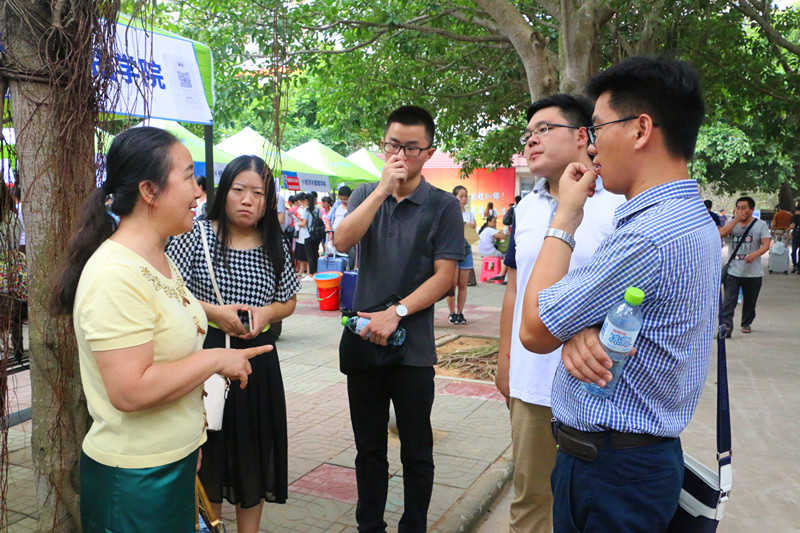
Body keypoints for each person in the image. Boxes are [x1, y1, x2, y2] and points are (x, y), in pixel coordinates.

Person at [518, 57, 720, 532]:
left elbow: (534, 330)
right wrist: (579, 330)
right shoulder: (693, 219)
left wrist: (565, 217)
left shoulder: (646, 236)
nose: (591, 144)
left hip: (609, 474)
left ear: (640, 129)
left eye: (598, 127)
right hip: (637, 464)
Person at [49, 127, 266, 532]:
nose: (199, 192)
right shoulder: (116, 274)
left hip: (171, 462)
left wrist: (189, 440)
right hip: (135, 479)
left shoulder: (159, 259)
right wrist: (215, 359)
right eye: (188, 177)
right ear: (149, 191)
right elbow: (130, 390)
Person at [494, 94, 623, 533]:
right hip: (532, 383)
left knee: (591, 504)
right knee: (531, 499)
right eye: (528, 134)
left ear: (582, 136)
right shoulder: (525, 208)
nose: (531, 140)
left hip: (595, 383)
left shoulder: (619, 204)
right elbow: (515, 289)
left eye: (545, 129)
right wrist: (505, 362)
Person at [335, 105, 463, 533]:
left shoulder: (443, 206)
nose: (401, 156)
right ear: (382, 146)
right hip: (364, 345)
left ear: (429, 153)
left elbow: (445, 277)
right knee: (369, 448)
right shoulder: (364, 195)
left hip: (414, 352)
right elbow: (342, 241)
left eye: (412, 148)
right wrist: (380, 191)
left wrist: (397, 313)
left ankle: (413, 526)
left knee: (416, 450)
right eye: (394, 146)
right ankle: (369, 526)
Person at [165, 154, 299, 533]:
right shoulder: (195, 235)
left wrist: (268, 313)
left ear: (268, 201)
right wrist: (214, 312)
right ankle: (211, 526)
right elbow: (170, 290)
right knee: (211, 454)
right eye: (239, 190)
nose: (247, 200)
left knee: (253, 454)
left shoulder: (274, 242)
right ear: (224, 191)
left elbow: (289, 299)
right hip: (206, 359)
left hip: (258, 366)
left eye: (258, 193)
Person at [719, 196, 771, 335]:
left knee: (750, 302)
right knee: (729, 301)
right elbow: (721, 234)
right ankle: (727, 327)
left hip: (753, 273)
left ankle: (746, 323)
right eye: (738, 208)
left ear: (751, 210)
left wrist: (755, 254)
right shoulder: (732, 222)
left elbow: (766, 244)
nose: (740, 210)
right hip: (733, 271)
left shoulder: (760, 225)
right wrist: (735, 220)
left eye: (743, 208)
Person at [446, 185, 475, 325]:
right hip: (452, 250)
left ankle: (460, 312)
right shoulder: (449, 213)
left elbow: (472, 238)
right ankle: (452, 312)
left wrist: (472, 228)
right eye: (461, 196)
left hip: (466, 250)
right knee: (452, 284)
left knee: (463, 284)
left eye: (465, 196)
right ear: (454, 197)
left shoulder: (470, 215)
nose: (464, 199)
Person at [293, 192, 311, 280]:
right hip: (299, 233)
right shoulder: (300, 209)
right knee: (300, 253)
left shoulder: (308, 209)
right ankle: (301, 269)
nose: (298, 203)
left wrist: (299, 222)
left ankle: (308, 271)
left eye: (299, 201)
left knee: (306, 253)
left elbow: (305, 222)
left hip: (305, 233)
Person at [792, 203, 800, 273]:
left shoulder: (795, 217)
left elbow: (792, 226)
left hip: (796, 235)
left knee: (794, 251)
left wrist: (786, 230)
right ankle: (799, 267)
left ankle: (795, 265)